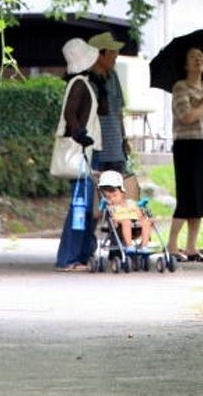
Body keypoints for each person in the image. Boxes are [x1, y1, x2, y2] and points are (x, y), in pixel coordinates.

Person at [166, 46, 203, 263]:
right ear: (185, 64)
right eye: (193, 57)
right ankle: (171, 245)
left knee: (200, 197)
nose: (198, 59)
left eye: (201, 56)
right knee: (187, 196)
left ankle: (192, 248)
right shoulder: (180, 87)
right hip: (186, 146)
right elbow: (186, 116)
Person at [55, 37, 102, 272]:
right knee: (80, 206)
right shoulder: (79, 83)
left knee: (84, 206)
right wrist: (79, 134)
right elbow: (70, 113)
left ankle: (79, 255)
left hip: (85, 151)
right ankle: (69, 258)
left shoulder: (80, 82)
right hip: (80, 152)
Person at [87, 31, 138, 200]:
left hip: (116, 150)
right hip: (96, 151)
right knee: (96, 202)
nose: (116, 55)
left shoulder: (113, 76)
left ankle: (116, 227)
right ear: (100, 54)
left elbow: (118, 111)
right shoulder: (86, 80)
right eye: (112, 52)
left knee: (119, 203)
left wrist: (124, 139)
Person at [97, 169, 152, 249]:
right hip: (121, 226)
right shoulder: (111, 207)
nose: (112, 199)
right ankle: (129, 246)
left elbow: (139, 214)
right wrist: (113, 220)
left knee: (147, 222)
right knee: (126, 221)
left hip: (136, 225)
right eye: (108, 197)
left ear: (122, 193)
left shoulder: (130, 202)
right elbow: (113, 219)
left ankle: (144, 245)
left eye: (115, 195)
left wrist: (142, 216)